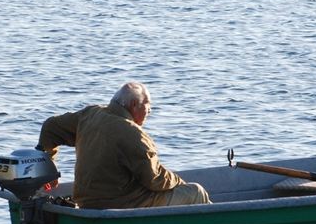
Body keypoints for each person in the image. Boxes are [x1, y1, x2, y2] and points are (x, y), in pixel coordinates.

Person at [36, 82, 209, 209]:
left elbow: (50, 127)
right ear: (134, 104)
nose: (150, 111)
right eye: (148, 105)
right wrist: (178, 181)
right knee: (196, 191)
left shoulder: (89, 115)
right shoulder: (133, 134)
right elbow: (154, 180)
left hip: (86, 202)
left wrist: (49, 168)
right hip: (119, 204)